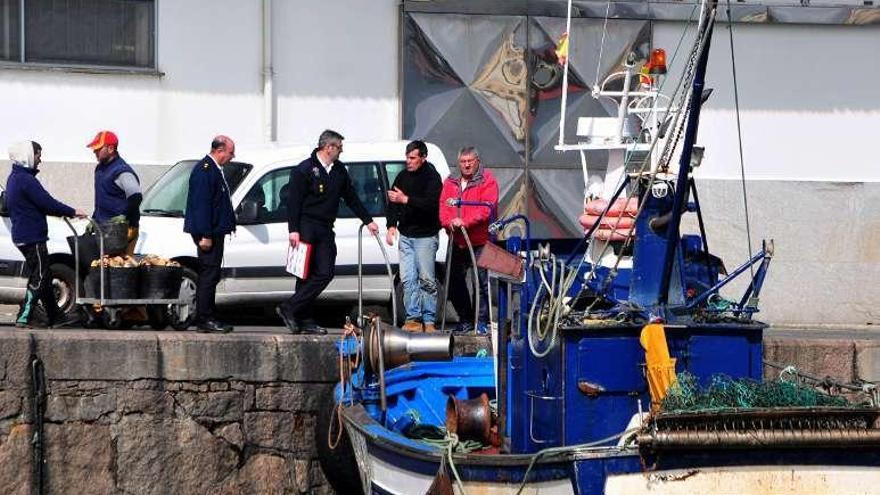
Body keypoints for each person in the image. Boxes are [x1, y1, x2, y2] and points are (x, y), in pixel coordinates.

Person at [276, 130, 379, 334]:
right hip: (306, 225)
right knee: (304, 274)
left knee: (325, 272)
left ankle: (290, 307)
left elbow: (351, 198)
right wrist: (293, 230)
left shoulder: (339, 170)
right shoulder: (304, 170)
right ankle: (303, 318)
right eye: (339, 147)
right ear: (328, 147)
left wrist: (368, 220)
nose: (341, 151)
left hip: (325, 226)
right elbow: (294, 203)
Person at [6, 141, 85, 328]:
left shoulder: (15, 178)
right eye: (37, 155)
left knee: (45, 276)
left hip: (24, 235)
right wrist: (72, 211)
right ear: (27, 156)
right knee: (40, 276)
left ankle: (56, 317)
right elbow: (46, 202)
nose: (40, 159)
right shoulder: (26, 180)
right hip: (32, 237)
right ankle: (26, 315)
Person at [438, 146, 499, 334]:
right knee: (453, 281)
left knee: (481, 284)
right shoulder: (450, 182)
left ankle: (481, 322)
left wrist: (465, 221)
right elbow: (443, 206)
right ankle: (465, 318)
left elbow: (486, 208)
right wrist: (449, 223)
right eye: (463, 162)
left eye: (469, 161)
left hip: (480, 241)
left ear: (477, 161)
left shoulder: (487, 180)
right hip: (457, 241)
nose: (466, 165)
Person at [385, 140, 442, 332]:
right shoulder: (402, 177)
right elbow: (393, 201)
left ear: (423, 158)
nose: (408, 162)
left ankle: (429, 320)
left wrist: (405, 199)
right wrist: (391, 225)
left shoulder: (432, 178)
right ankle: (413, 318)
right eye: (407, 158)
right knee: (408, 279)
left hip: (425, 235)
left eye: (412, 158)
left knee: (426, 279)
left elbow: (430, 204)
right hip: (406, 235)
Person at [183, 136, 237, 333]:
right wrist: (205, 234)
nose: (233, 156)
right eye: (231, 152)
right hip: (208, 232)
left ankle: (209, 314)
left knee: (212, 274)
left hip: (214, 231)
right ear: (220, 150)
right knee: (208, 274)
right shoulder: (205, 171)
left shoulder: (214, 169)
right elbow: (202, 205)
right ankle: (204, 318)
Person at [86, 130, 142, 254]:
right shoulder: (100, 169)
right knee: (104, 268)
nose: (94, 151)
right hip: (106, 230)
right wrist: (94, 219)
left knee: (120, 268)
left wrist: (124, 215)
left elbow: (136, 196)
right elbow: (102, 200)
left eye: (98, 149)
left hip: (123, 230)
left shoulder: (122, 171)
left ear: (111, 149)